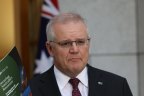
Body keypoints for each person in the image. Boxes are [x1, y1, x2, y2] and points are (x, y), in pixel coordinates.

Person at [29, 12, 133, 96]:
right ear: (50, 48)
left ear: (88, 44)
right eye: (66, 43)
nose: (75, 50)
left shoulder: (117, 86)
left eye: (80, 42)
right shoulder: (30, 91)